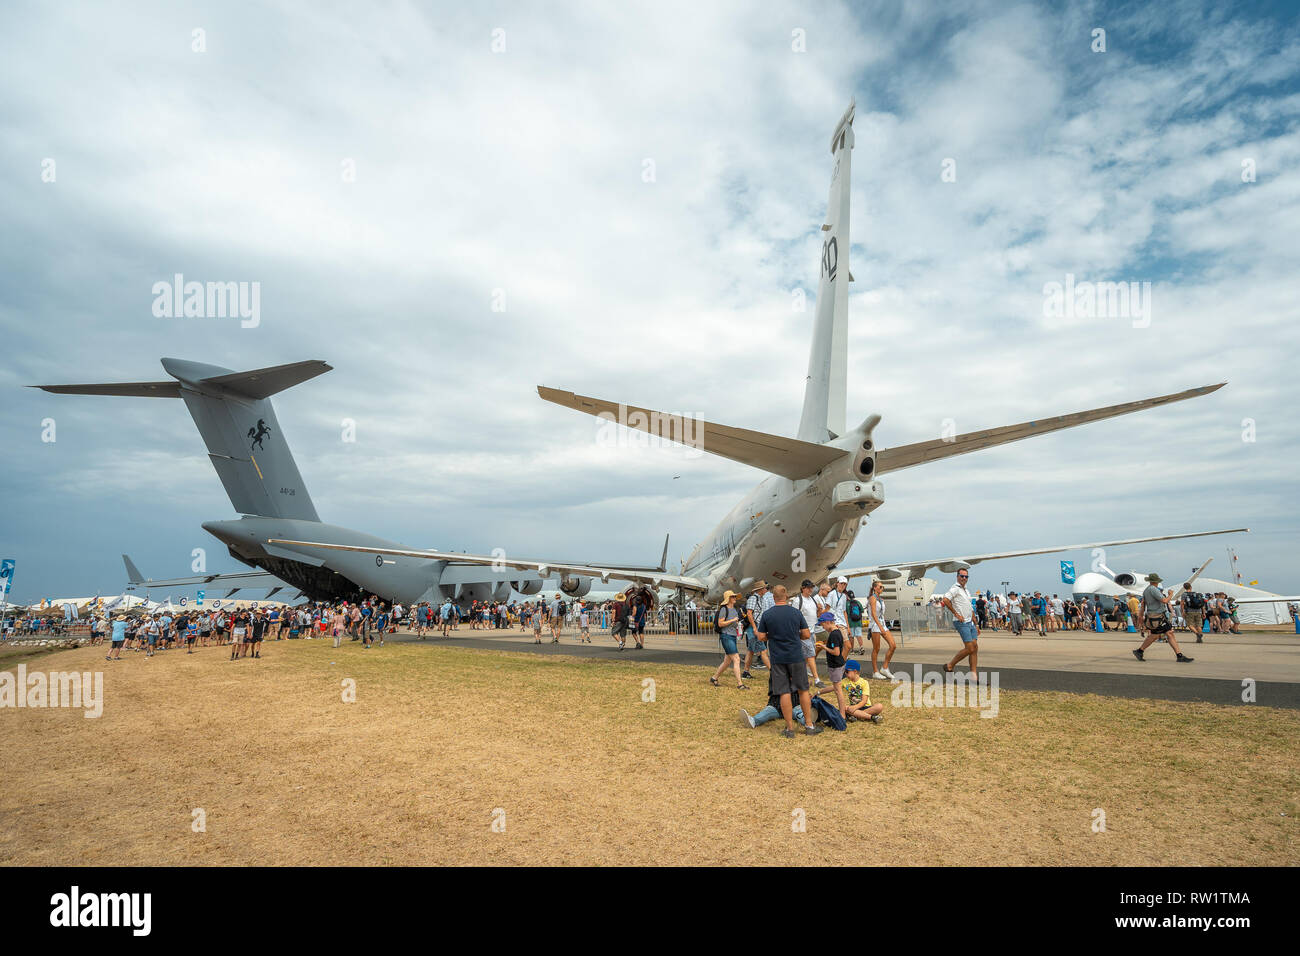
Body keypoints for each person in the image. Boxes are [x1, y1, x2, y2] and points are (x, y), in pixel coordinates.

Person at [755, 585, 822, 737]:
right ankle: (809, 725)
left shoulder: (767, 614)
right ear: (786, 596)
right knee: (803, 690)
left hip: (778, 658)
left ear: (773, 597)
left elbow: (760, 636)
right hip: (796, 656)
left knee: (783, 691)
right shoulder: (795, 612)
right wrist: (794, 635)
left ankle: (789, 728)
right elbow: (805, 634)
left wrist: (771, 636)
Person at [1132, 573, 1193, 663]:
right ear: (1157, 581)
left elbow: (1143, 605)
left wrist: (1141, 618)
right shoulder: (1154, 590)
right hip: (1157, 617)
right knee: (1160, 635)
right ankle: (1140, 651)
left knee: (1164, 634)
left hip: (1153, 617)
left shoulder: (1146, 590)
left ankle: (1179, 655)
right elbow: (1164, 600)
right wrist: (1170, 594)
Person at [936, 569, 979, 678]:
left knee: (975, 647)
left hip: (970, 622)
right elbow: (945, 600)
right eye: (962, 576)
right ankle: (950, 665)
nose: (964, 578)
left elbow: (970, 607)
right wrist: (956, 614)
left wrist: (976, 623)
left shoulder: (966, 590)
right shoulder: (955, 588)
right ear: (957, 577)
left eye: (966, 577)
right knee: (969, 648)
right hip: (962, 622)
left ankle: (973, 675)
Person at [790, 580, 825, 688]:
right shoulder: (798, 601)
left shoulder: (813, 600)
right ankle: (817, 679)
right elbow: (793, 617)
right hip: (803, 632)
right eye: (809, 587)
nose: (811, 589)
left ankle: (799, 675)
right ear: (803, 588)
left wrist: (819, 610)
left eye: (812, 587)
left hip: (812, 631)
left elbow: (817, 615)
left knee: (806, 656)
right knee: (810, 655)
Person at [709, 591, 748, 689]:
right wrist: (733, 620)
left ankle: (714, 678)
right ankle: (740, 684)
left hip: (732, 636)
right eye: (733, 596)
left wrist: (739, 625)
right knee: (736, 659)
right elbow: (720, 624)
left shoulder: (734, 610)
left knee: (727, 661)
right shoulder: (723, 609)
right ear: (728, 599)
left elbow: (734, 622)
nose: (735, 598)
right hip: (726, 636)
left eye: (735, 596)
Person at [814, 611, 848, 715]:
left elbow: (836, 652)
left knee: (838, 691)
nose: (822, 627)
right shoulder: (836, 632)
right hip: (840, 663)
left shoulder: (833, 634)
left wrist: (824, 647)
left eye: (822, 624)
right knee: (836, 686)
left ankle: (842, 714)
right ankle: (818, 693)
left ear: (828, 622)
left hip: (836, 665)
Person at [866, 579, 896, 680]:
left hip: (882, 623)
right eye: (880, 587)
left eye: (882, 587)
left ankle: (885, 668)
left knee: (893, 645)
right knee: (876, 648)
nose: (881, 588)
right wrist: (880, 627)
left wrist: (883, 626)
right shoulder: (872, 598)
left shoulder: (880, 599)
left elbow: (881, 614)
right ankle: (875, 671)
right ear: (875, 588)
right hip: (875, 625)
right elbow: (874, 614)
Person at [742, 581, 773, 678]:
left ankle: (745, 672)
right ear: (760, 590)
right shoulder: (753, 598)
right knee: (763, 651)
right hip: (754, 627)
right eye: (764, 588)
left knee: (750, 651)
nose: (765, 589)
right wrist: (755, 628)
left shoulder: (760, 598)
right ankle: (774, 673)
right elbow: (749, 613)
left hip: (756, 627)